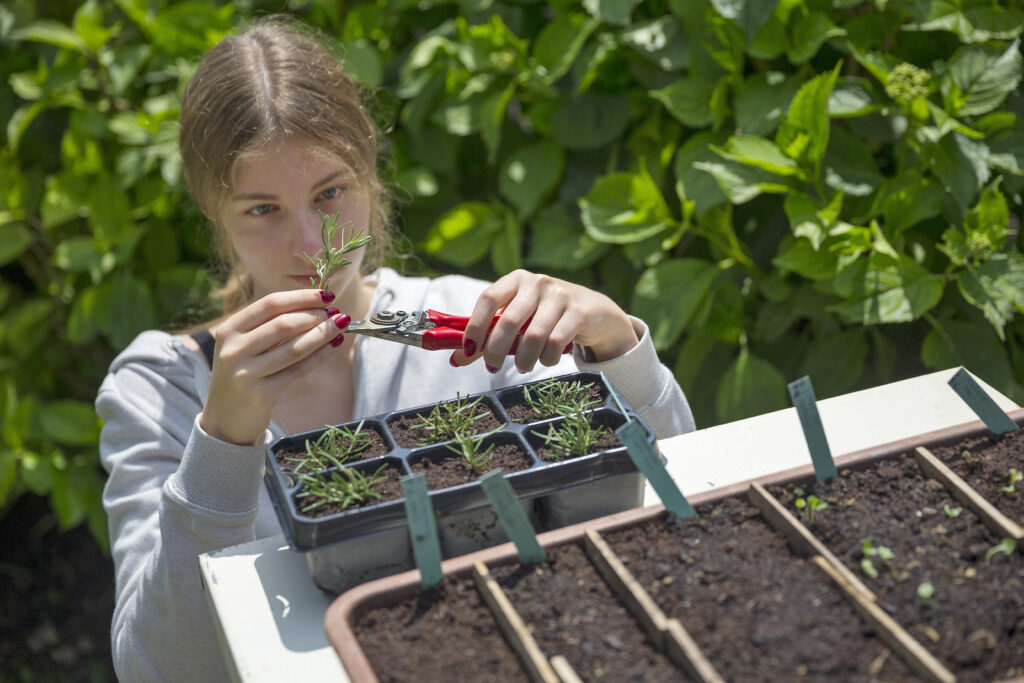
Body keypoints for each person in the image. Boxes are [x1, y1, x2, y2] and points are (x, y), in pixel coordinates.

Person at [96, 17, 696, 683]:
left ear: (371, 175)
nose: (308, 241)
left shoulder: (469, 323)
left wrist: (616, 347)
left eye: (330, 191)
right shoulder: (161, 390)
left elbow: (680, 498)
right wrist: (223, 440)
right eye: (262, 209)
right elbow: (157, 665)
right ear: (213, 210)